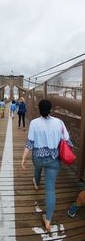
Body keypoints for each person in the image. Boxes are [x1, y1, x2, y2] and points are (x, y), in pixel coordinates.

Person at [21, 99, 71, 232]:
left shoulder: (34, 123)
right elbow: (66, 139)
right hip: (54, 160)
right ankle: (48, 220)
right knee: (50, 189)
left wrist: (24, 158)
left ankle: (36, 184)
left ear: (38, 109)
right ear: (50, 109)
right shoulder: (59, 122)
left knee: (37, 169)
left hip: (38, 157)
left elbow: (30, 143)